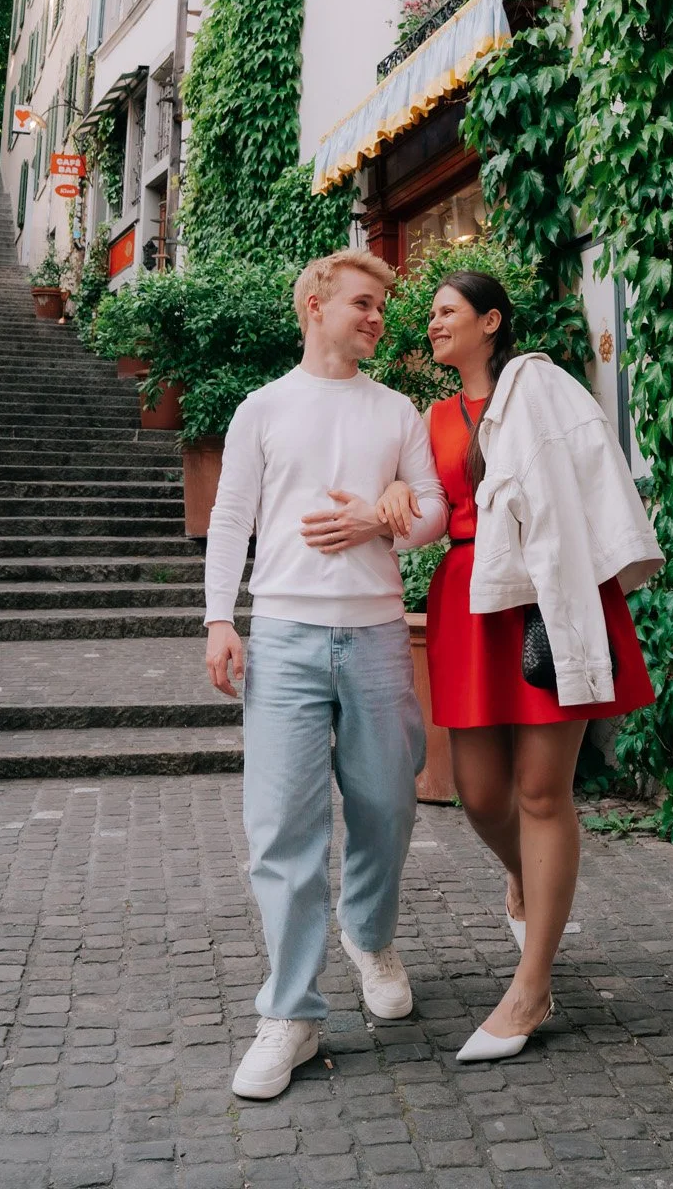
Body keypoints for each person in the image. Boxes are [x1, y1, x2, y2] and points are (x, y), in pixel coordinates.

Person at [379, 269, 663, 1064]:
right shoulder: (429, 417)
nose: (431, 323)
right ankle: (526, 880)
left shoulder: (543, 387)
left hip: (546, 592)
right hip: (469, 599)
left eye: (446, 311)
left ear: (490, 321)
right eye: (431, 313)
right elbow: (426, 517)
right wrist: (396, 499)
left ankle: (531, 986)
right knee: (478, 794)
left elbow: (591, 473)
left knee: (543, 792)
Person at [204, 248, 447, 1101]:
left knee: (387, 802)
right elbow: (231, 515)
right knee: (283, 831)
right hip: (283, 635)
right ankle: (292, 1014)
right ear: (314, 303)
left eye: (382, 306)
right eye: (362, 302)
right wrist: (217, 619)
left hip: (377, 636)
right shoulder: (262, 408)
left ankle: (368, 935)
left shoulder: (396, 411)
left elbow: (435, 512)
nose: (377, 317)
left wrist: (390, 521)